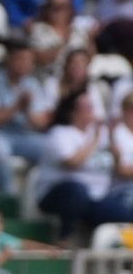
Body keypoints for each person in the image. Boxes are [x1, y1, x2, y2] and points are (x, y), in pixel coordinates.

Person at [36, 88, 133, 238]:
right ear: (72, 111)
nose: (92, 110)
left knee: (125, 214)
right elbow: (72, 162)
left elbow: (116, 167)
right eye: (87, 107)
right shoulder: (60, 133)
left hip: (96, 198)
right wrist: (94, 140)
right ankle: (64, 238)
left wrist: (117, 154)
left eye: (92, 106)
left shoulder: (104, 135)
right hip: (57, 194)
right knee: (76, 191)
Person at [0, 42, 51, 196]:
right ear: (9, 60)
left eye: (28, 60)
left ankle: (40, 196)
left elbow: (41, 124)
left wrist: (27, 111)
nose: (24, 64)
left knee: (50, 148)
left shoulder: (32, 84)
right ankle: (9, 195)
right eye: (20, 59)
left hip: (22, 136)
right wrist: (17, 107)